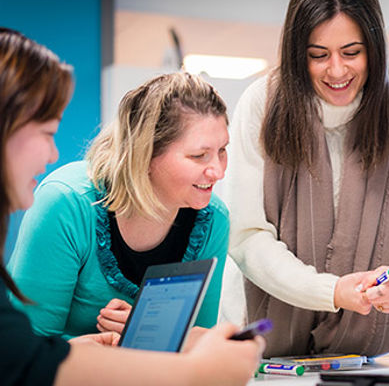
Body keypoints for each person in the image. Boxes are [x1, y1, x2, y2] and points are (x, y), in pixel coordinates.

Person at [0, 27, 262, 386]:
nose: (217, 169)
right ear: (145, 155)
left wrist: (148, 340)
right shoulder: (67, 201)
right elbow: (21, 354)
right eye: (198, 155)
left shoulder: (212, 219)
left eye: (222, 151)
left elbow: (199, 337)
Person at [226, 0, 389, 357]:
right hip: (267, 342)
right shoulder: (263, 104)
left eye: (352, 53)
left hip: (359, 346)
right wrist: (331, 291)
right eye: (318, 55)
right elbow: (248, 238)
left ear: (374, 48)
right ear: (296, 55)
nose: (337, 70)